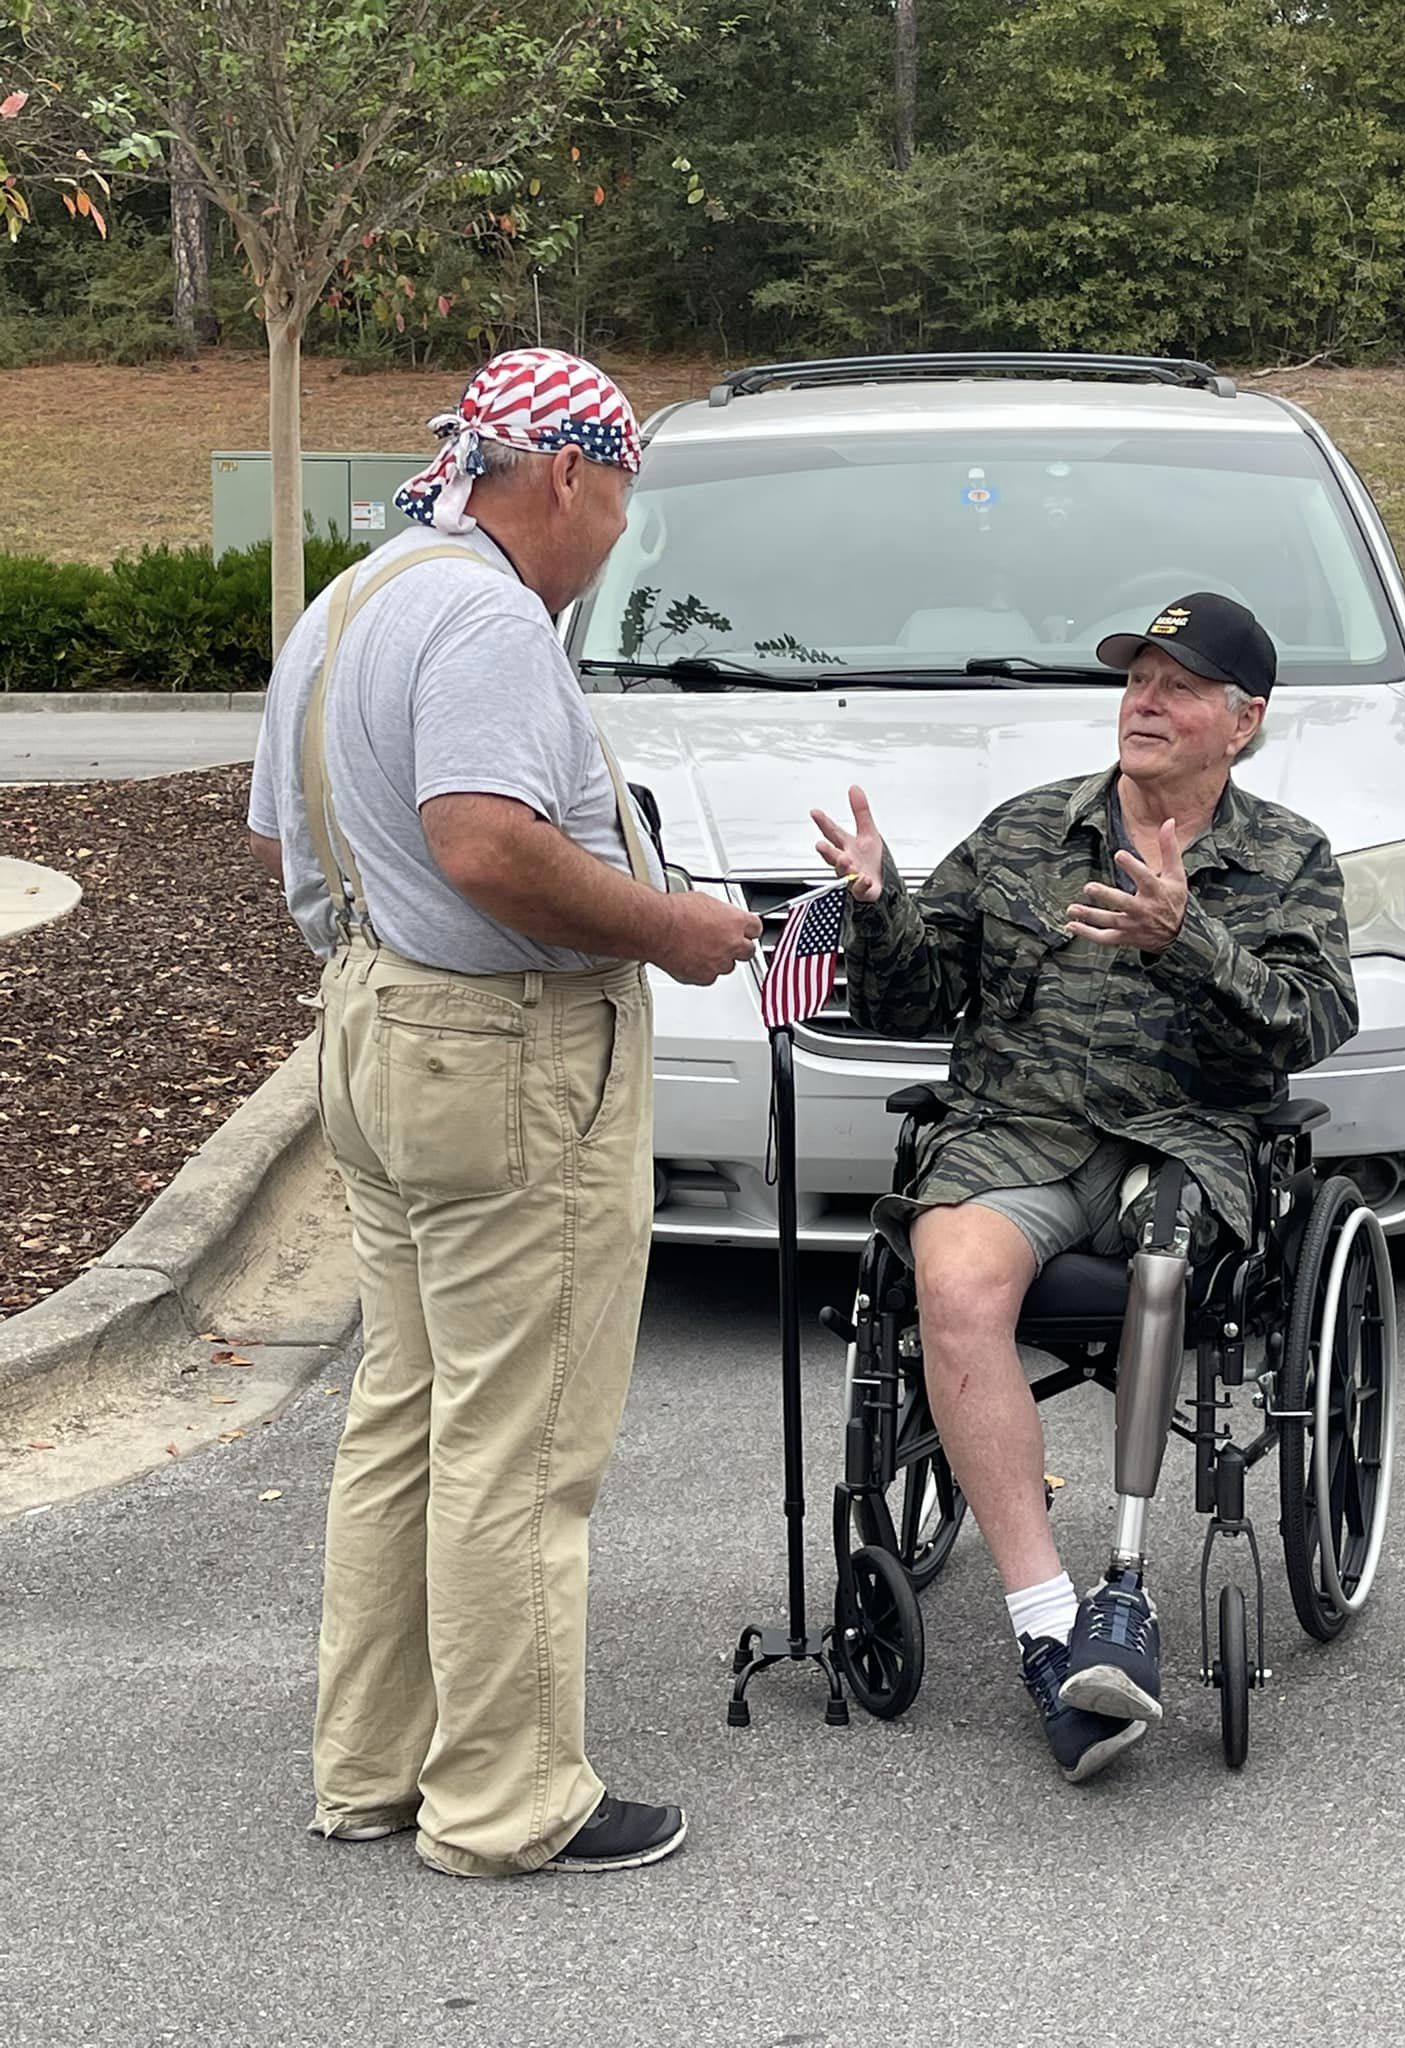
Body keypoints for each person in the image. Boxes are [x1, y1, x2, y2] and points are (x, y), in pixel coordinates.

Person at [247, 348, 760, 1876]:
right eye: (620, 505)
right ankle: (506, 1800)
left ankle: (372, 1766)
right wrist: (671, 929)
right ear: (566, 475)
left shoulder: (356, 600)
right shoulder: (485, 616)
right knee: (520, 1441)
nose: (616, 539)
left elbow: (284, 835)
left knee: (409, 1413)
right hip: (503, 1051)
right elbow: (481, 841)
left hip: (373, 1023)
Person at [812, 593, 1358, 1782]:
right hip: (1018, 1130)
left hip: (1185, 1139)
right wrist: (877, 904)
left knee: (1162, 1269)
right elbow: (913, 999)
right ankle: (1051, 1626)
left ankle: (1127, 1585)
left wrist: (1189, 937)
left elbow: (1315, 1021)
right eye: (1136, 680)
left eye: (1179, 686)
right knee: (951, 1282)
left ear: (1243, 721)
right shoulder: (1024, 832)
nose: (1144, 702)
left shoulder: (1289, 856)